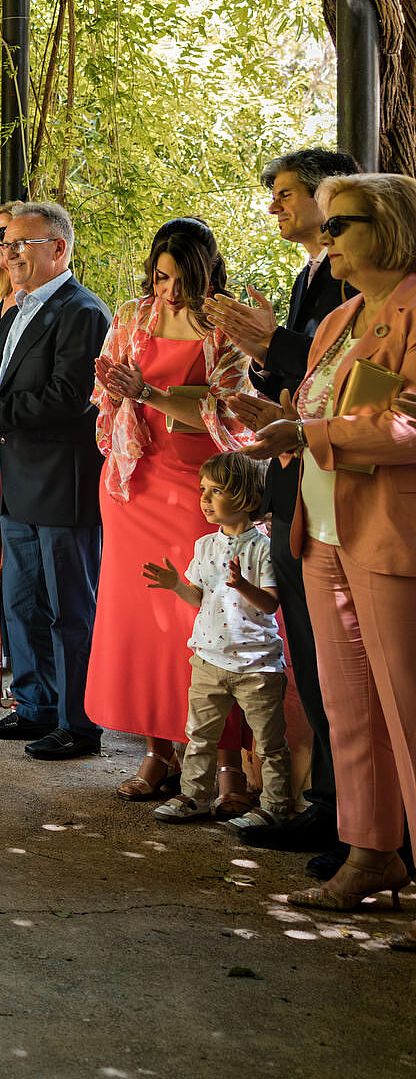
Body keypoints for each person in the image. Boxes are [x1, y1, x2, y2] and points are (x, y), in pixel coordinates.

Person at [238, 172, 416, 938]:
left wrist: (304, 434)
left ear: (392, 228)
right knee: (347, 711)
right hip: (320, 531)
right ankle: (370, 853)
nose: (329, 234)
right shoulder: (340, 316)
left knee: (407, 713)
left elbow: (403, 427)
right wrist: (274, 415)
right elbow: (334, 413)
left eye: (343, 224)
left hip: (384, 535)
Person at [206, 148, 359, 867]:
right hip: (297, 484)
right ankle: (331, 805)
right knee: (313, 660)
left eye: (289, 194)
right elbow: (309, 378)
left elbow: (349, 384)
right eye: (273, 194)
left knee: (344, 669)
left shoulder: (361, 287)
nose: (275, 205)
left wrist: (272, 344)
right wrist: (264, 379)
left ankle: (354, 819)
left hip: (342, 497)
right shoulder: (307, 276)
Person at [88, 218, 255, 798]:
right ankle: (159, 753)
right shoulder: (131, 316)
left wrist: (151, 393)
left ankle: (227, 763)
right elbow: (105, 391)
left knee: (208, 618)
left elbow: (231, 406)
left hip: (199, 486)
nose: (169, 292)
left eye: (182, 279)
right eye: (161, 278)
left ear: (207, 272)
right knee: (142, 619)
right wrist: (115, 386)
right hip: (134, 482)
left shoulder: (225, 328)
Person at [0, 201, 114, 760]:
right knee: (21, 603)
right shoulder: (18, 310)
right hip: (18, 479)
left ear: (59, 249)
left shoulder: (82, 311)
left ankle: (77, 721)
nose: (8, 253)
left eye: (22, 244)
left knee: (69, 608)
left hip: (62, 483)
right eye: (4, 241)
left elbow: (69, 398)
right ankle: (33, 706)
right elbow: (5, 385)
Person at [141, 452, 295, 826]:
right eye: (202, 490)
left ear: (244, 497)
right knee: (199, 736)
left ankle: (275, 808)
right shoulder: (205, 546)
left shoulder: (263, 547)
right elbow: (199, 597)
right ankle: (193, 797)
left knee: (271, 744)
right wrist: (176, 584)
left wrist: (242, 585)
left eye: (216, 491)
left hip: (257, 665)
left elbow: (271, 604)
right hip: (209, 658)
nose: (204, 499)